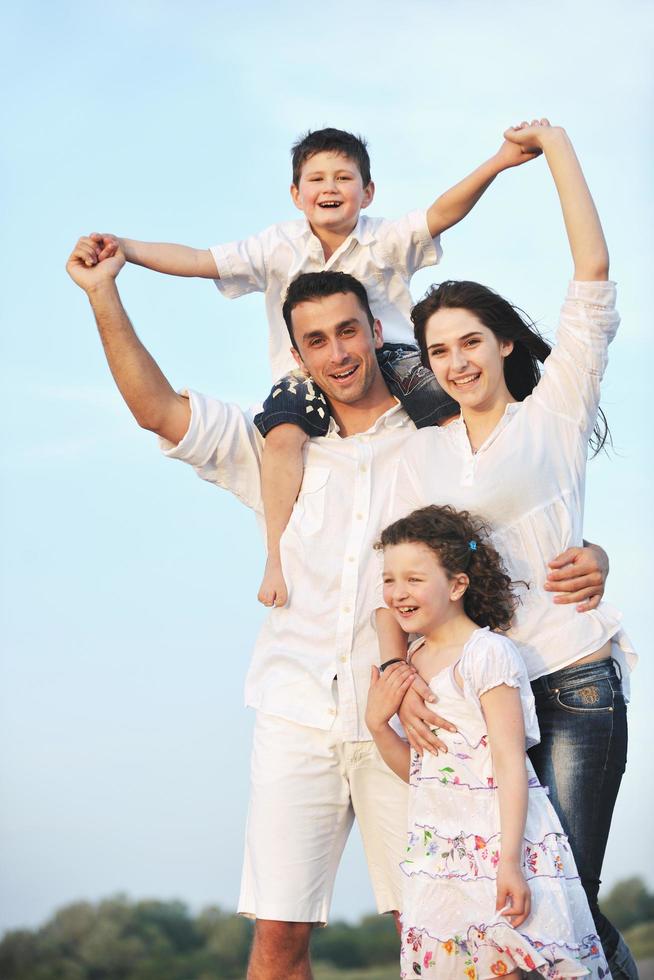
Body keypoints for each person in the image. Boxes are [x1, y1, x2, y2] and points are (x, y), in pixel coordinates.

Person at [66, 241, 608, 980]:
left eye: (349, 330)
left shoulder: (433, 443)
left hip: (413, 713)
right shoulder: (274, 448)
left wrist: (594, 553)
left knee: (443, 924)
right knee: (278, 940)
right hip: (295, 710)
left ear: (374, 332)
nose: (338, 351)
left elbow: (516, 520)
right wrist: (103, 294)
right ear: (297, 354)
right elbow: (156, 410)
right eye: (316, 340)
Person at [84, 126, 543, 609]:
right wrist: (127, 251)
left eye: (344, 178)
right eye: (317, 179)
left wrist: (499, 161)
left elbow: (442, 212)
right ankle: (275, 555)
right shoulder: (277, 245)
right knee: (282, 438)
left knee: (456, 427)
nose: (330, 188)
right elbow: (201, 260)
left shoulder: (382, 238)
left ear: (367, 192)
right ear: (296, 195)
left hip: (395, 358)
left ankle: (489, 520)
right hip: (303, 378)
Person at [384, 121, 638, 979]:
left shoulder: (555, 414)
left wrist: (559, 149)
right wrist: (395, 670)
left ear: (503, 344)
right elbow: (387, 579)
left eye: (469, 341)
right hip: (478, 696)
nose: (456, 361)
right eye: (438, 351)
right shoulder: (421, 455)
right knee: (512, 905)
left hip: (571, 677)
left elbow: (592, 278)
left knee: (569, 892)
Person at [366, 504, 610, 979]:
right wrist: (378, 727)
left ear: (457, 585)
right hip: (440, 857)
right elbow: (424, 776)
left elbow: (510, 763)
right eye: (389, 580)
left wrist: (511, 863)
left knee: (517, 966)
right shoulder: (411, 664)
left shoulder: (488, 655)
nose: (398, 593)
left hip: (499, 847)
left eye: (414, 579)